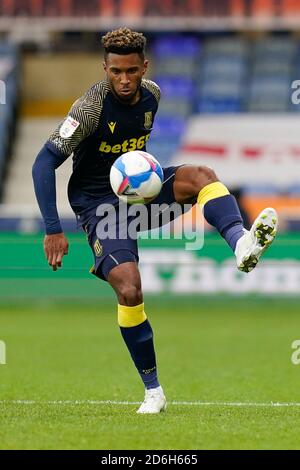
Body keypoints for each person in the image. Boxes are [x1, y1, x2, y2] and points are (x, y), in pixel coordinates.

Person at [32, 27, 278, 414]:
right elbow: (44, 162)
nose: (124, 80)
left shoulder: (154, 95)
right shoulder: (89, 108)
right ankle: (153, 391)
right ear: (105, 69)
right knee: (129, 289)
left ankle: (241, 241)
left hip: (140, 192)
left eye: (132, 71)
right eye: (116, 72)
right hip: (100, 205)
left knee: (201, 175)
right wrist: (52, 228)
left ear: (145, 66)